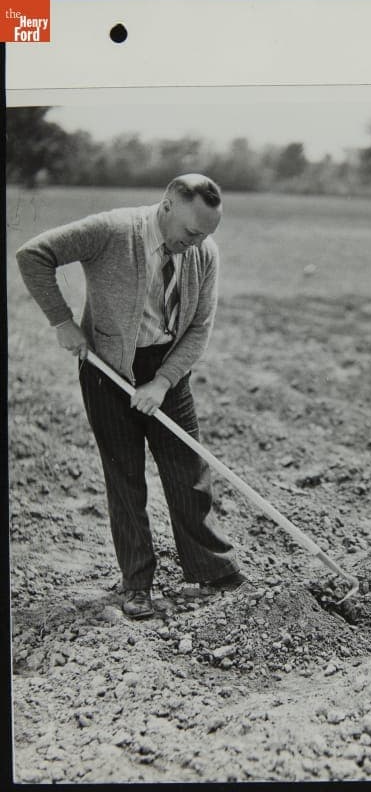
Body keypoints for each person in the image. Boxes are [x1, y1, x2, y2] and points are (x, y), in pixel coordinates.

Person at [16, 173, 248, 619]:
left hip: (167, 370)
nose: (196, 243)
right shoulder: (111, 230)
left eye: (206, 234)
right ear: (167, 207)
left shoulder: (204, 252)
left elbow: (199, 327)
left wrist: (161, 383)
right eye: (191, 232)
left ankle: (212, 568)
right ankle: (137, 583)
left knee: (186, 469)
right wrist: (62, 321)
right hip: (108, 369)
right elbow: (34, 255)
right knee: (125, 478)